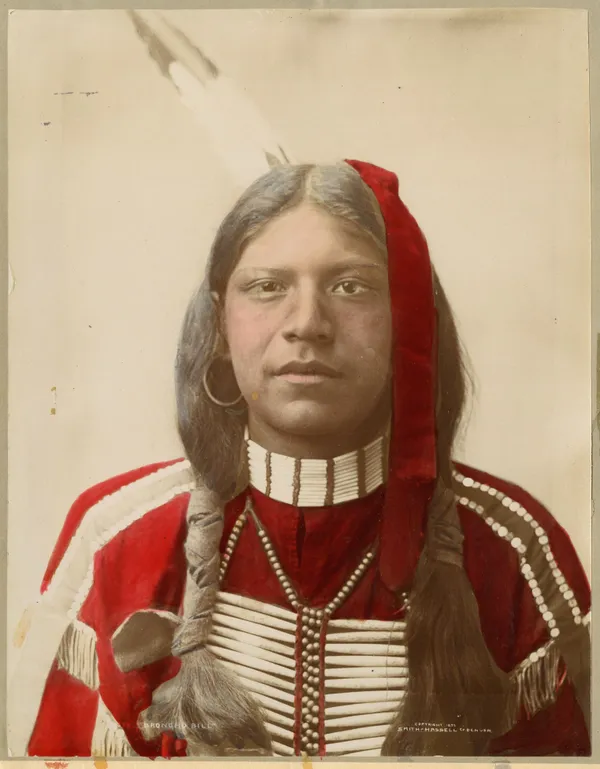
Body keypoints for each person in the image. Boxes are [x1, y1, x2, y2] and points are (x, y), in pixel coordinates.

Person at [10, 160, 591, 759]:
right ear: (219, 324)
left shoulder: (513, 550)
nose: (307, 324)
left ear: (408, 325)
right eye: (268, 287)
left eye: (351, 287)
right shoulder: (118, 541)